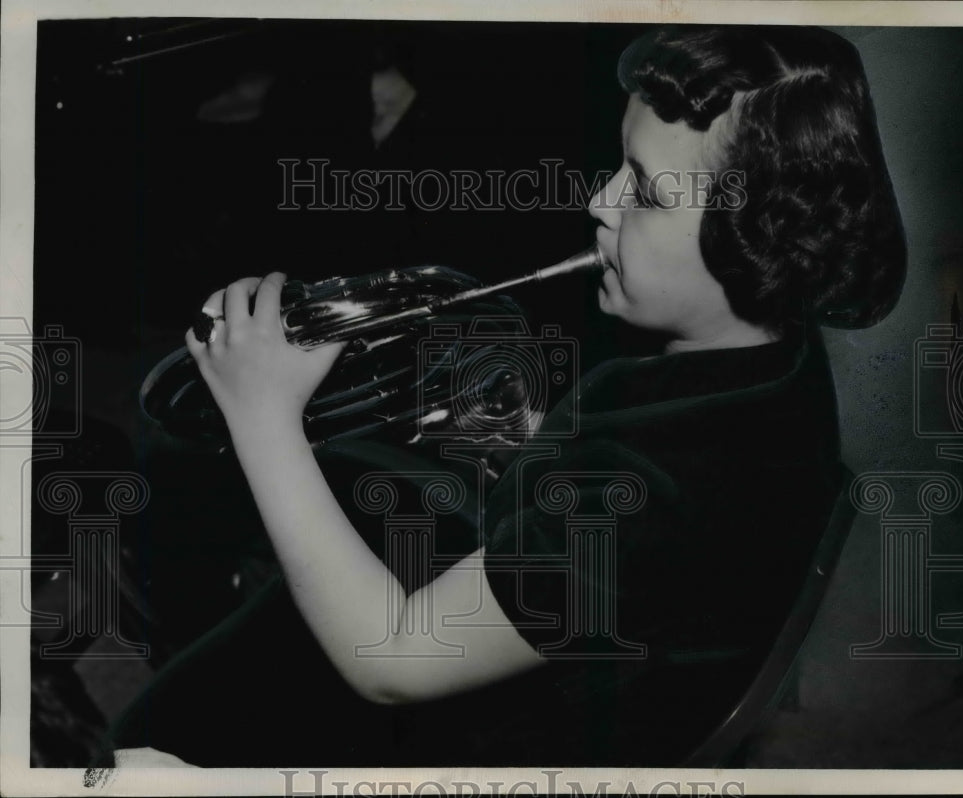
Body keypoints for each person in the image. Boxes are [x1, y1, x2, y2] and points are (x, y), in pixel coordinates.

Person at [105, 23, 905, 767]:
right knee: (334, 516)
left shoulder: (655, 481)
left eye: (648, 193)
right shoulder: (769, 363)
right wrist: (533, 446)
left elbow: (394, 663)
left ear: (759, 235)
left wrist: (263, 417)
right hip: (580, 654)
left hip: (508, 743)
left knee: (146, 741)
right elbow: (651, 542)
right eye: (620, 165)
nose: (601, 201)